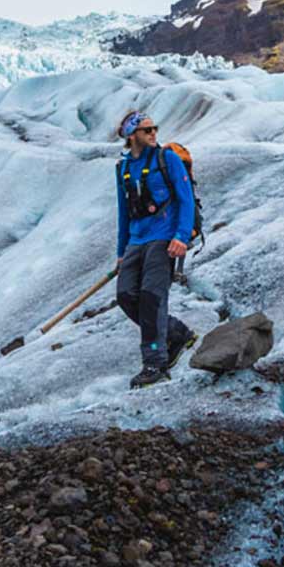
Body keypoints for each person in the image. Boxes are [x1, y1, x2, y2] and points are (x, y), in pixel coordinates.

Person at [114, 111, 196, 388]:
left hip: (164, 237)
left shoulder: (167, 159)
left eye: (154, 129)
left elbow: (185, 200)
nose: (153, 134)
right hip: (137, 240)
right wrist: (121, 249)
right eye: (147, 130)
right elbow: (123, 211)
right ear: (131, 135)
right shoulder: (123, 167)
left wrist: (181, 236)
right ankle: (176, 332)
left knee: (152, 296)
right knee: (126, 295)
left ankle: (154, 363)